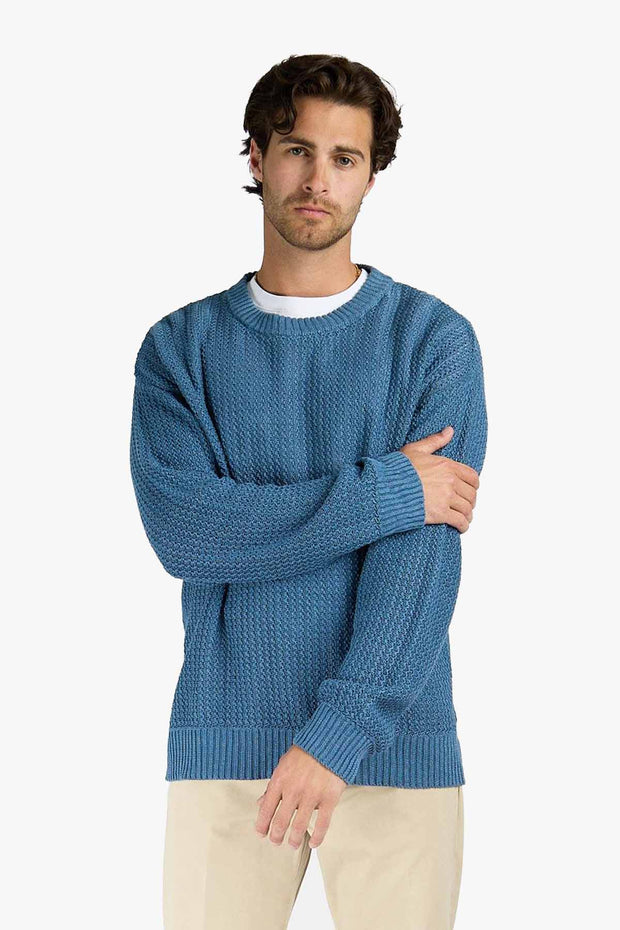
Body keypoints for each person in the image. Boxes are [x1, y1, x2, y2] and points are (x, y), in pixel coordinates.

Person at [130, 52, 488, 930]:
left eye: (344, 157)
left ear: (371, 175)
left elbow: (420, 568)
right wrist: (387, 492)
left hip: (392, 749)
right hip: (227, 744)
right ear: (256, 157)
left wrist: (337, 736)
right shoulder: (179, 351)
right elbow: (189, 534)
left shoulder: (433, 341)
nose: (318, 179)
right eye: (297, 149)